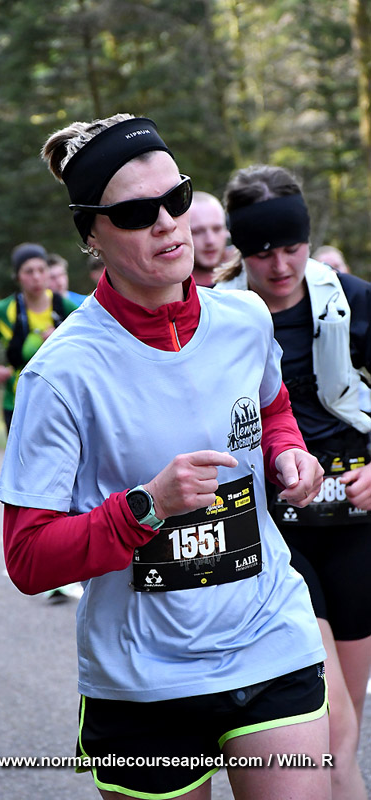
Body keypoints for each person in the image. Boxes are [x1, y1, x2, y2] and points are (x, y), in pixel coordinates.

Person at [0, 114, 330, 800]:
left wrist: (288, 454)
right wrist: (146, 507)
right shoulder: (61, 374)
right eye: (135, 212)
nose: (167, 224)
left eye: (175, 198)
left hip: (268, 635)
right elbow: (29, 559)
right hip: (143, 677)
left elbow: (271, 408)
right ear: (91, 235)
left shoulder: (245, 320)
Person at [216, 164, 371, 800]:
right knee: (330, 728)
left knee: (346, 736)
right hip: (275, 535)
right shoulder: (220, 315)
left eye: (292, 247)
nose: (279, 266)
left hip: (354, 529)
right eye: (261, 252)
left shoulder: (354, 301)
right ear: (239, 248)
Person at [0, 243, 77, 433]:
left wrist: (61, 338)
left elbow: (90, 344)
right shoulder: (3, 310)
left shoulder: (65, 307)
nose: (36, 277)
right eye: (29, 271)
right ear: (17, 276)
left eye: (41, 270)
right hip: (18, 405)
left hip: (63, 402)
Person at [189, 191, 229, 287]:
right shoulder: (169, 288)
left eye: (217, 229)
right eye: (198, 231)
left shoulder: (246, 278)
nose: (210, 240)